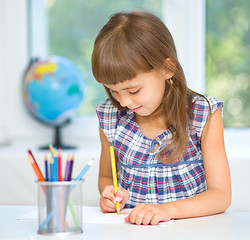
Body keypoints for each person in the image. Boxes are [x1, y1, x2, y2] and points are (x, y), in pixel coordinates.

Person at [91, 11, 231, 225]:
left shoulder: (204, 115)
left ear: (167, 68)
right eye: (113, 91)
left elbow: (220, 196)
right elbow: (106, 177)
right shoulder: (111, 118)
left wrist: (167, 210)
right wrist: (110, 193)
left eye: (134, 90)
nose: (123, 102)